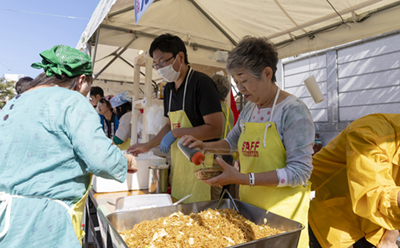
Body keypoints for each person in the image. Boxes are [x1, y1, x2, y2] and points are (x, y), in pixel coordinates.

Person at [180, 36, 315, 248]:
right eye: (236, 82)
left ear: (267, 74)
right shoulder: (251, 108)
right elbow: (233, 142)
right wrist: (204, 146)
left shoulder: (293, 111)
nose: (240, 88)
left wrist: (245, 178)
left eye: (244, 81)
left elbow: (300, 172)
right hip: (251, 210)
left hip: (283, 218)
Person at [0, 45, 138, 247]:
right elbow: (101, 159)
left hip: (7, 219)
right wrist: (126, 160)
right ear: (81, 80)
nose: (86, 97)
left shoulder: (14, 103)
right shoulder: (71, 100)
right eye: (88, 90)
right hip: (44, 224)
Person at [127, 33, 223, 203]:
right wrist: (147, 145)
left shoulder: (202, 83)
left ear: (180, 56)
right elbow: (168, 125)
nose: (159, 67)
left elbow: (215, 128)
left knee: (205, 214)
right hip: (180, 164)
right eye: (156, 64)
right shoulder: (169, 89)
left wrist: (177, 132)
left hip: (205, 162)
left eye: (162, 61)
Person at [309, 113, 400, 248]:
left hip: (375, 224)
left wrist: (390, 239)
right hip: (329, 215)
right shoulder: (369, 132)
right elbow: (373, 192)